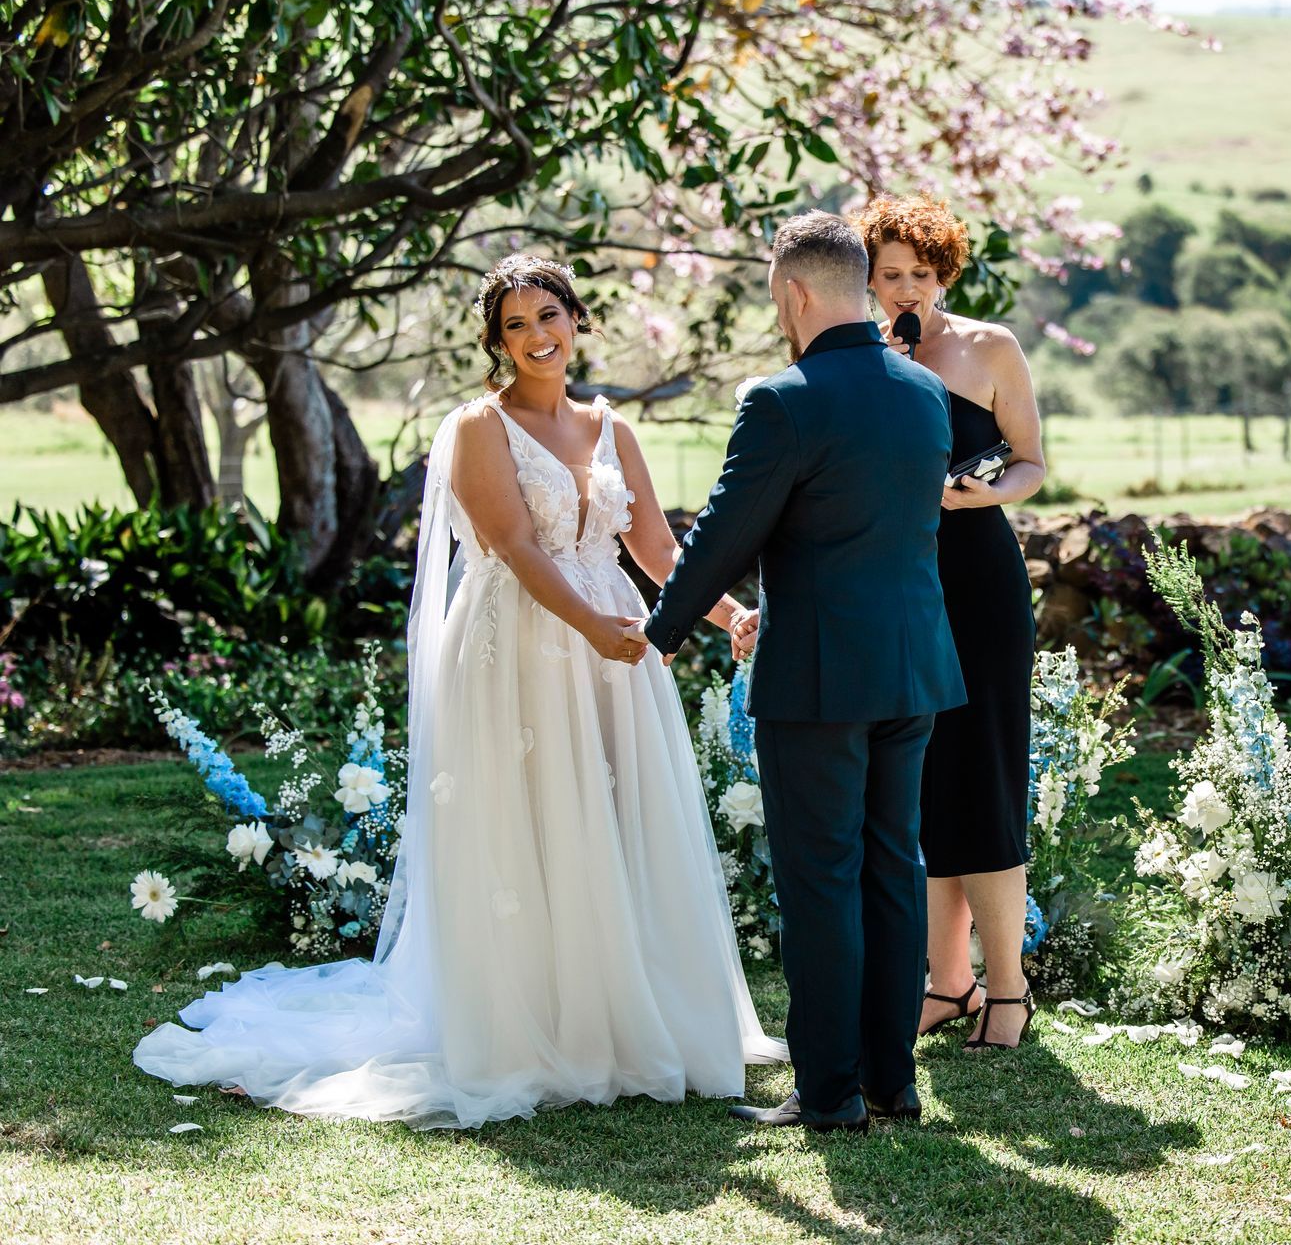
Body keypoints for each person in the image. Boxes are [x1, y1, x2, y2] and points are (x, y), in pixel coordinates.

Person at [132, 255, 783, 1129]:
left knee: (614, 814)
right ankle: (535, 1024)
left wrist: (731, 614)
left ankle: (625, 1011)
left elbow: (660, 549)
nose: (537, 336)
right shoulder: (481, 426)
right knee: (533, 817)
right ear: (496, 344)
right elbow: (514, 546)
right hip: (519, 640)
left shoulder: (610, 426)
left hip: (615, 643)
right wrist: (589, 626)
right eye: (515, 326)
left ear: (576, 318)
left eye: (549, 315)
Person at [646, 211, 964, 1132]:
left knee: (821, 879)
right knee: (891, 869)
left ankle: (827, 1093)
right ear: (862, 286)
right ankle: (891, 1081)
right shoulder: (922, 393)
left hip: (821, 677)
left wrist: (661, 631)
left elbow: (720, 538)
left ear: (792, 293)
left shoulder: (782, 400)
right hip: (913, 669)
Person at [853, 193, 1045, 1050]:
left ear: (945, 275)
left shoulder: (989, 346)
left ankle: (1009, 988)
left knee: (988, 776)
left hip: (978, 579)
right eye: (887, 275)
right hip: (900, 581)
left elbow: (1033, 462)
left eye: (918, 275)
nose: (903, 289)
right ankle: (949, 981)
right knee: (924, 783)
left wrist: (983, 493)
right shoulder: (857, 357)